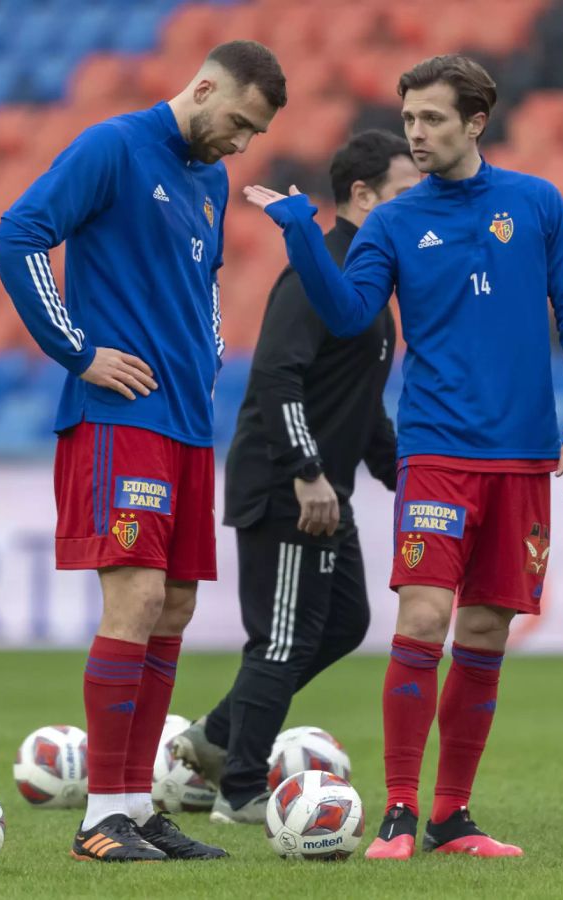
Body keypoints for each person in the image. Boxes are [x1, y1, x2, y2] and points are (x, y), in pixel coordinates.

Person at [244, 54, 563, 860]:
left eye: (432, 118)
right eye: (409, 118)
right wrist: (304, 235)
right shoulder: (394, 224)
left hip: (521, 458)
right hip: (436, 449)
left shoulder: (537, 204)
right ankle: (400, 811)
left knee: (484, 631)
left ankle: (452, 816)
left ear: (475, 122)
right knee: (425, 615)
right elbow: (347, 313)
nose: (416, 131)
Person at [0, 40, 287, 863]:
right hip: (120, 419)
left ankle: (133, 806)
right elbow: (17, 238)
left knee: (175, 608)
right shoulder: (112, 148)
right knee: (137, 597)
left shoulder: (211, 182)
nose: (241, 144)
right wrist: (79, 351)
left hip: (188, 424)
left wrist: (208, 365)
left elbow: (203, 293)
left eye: (254, 133)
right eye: (237, 122)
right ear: (202, 88)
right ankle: (98, 822)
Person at [171, 131, 420, 824]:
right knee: (282, 640)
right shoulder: (320, 271)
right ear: (362, 197)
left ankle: (220, 735)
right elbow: (277, 374)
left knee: (344, 622)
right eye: (405, 195)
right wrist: (308, 471)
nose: (418, 207)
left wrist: (410, 476)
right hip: (288, 483)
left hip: (321, 490)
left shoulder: (369, 285)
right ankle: (241, 788)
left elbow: (362, 409)